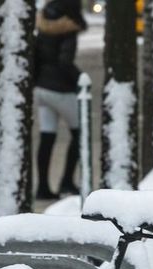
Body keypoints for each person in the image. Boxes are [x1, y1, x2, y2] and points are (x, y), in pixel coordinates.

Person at [34, 0, 87, 200]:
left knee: (47, 137)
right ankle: (66, 181)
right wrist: (80, 79)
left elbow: (37, 57)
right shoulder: (68, 27)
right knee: (80, 133)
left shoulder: (44, 22)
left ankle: (43, 187)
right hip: (62, 90)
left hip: (42, 88)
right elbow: (65, 62)